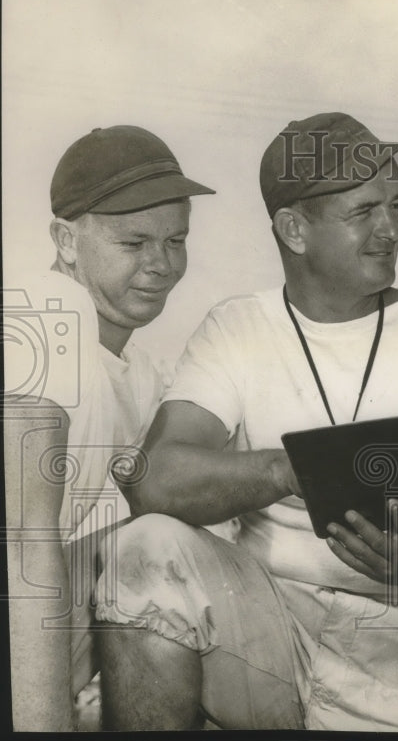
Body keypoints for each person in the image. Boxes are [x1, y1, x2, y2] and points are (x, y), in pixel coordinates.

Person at [94, 112, 398, 731]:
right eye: (363, 211)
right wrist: (289, 468)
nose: (390, 228)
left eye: (395, 205)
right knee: (144, 548)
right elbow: (156, 481)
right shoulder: (239, 327)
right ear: (294, 229)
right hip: (269, 627)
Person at [2, 125, 214, 730]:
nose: (161, 264)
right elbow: (24, 542)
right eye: (134, 242)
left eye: (176, 240)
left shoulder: (143, 374)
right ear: (66, 241)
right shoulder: (48, 313)